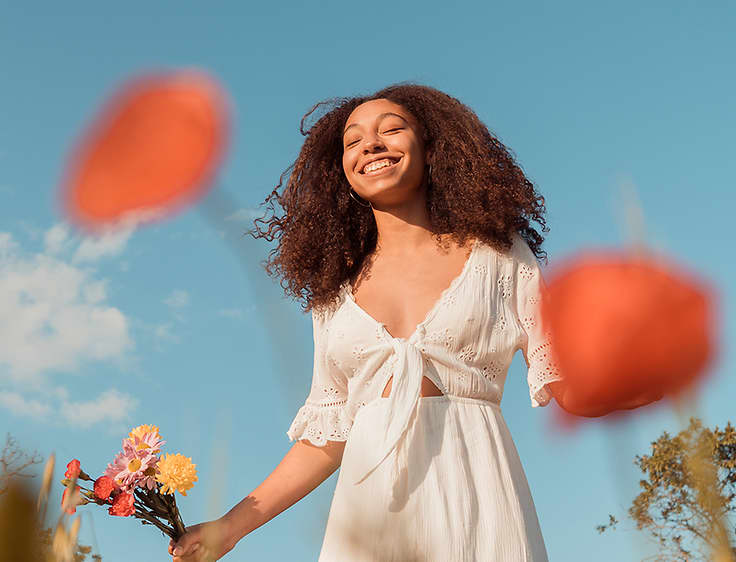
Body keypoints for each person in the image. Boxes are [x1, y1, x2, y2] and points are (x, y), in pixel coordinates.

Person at [168, 83, 660, 561]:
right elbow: (326, 438)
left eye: (391, 129)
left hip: (479, 499)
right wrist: (229, 528)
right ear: (341, 171)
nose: (371, 146)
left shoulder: (500, 257)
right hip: (365, 517)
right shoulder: (333, 295)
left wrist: (665, 370)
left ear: (430, 148)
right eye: (353, 141)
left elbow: (569, 385)